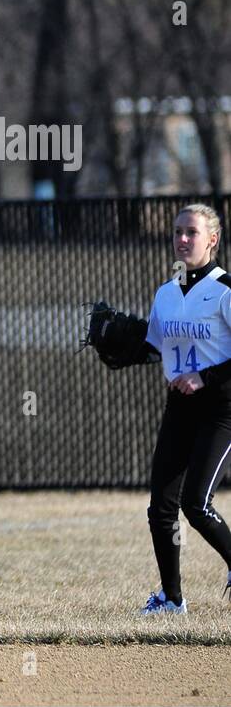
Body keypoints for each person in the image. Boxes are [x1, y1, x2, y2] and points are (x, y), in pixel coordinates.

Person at [134, 203, 231, 614]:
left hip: (221, 407)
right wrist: (117, 344)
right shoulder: (167, 292)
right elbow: (152, 347)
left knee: (196, 503)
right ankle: (172, 599)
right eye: (177, 232)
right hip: (180, 405)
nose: (182, 239)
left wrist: (205, 377)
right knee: (161, 506)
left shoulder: (226, 290)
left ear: (212, 239)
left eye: (191, 232)